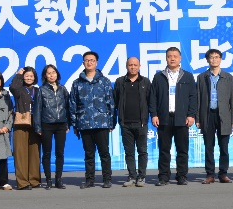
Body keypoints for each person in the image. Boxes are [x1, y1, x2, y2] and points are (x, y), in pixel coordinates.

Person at [150, 47, 198, 186]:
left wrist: (191, 115)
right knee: (164, 149)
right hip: (164, 118)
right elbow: (153, 97)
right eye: (169, 56)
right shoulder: (159, 77)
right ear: (166, 58)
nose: (172, 59)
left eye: (175, 56)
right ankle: (163, 176)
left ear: (180, 58)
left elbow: (193, 97)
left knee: (182, 149)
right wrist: (154, 114)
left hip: (181, 118)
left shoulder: (187, 76)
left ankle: (181, 175)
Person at [69, 50, 115, 189]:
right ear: (83, 63)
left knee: (104, 153)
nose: (89, 62)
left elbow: (111, 103)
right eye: (86, 60)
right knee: (89, 154)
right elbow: (73, 104)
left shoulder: (104, 81)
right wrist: (75, 124)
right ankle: (89, 180)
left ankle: (107, 179)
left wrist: (111, 122)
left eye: (92, 60)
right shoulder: (77, 83)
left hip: (102, 123)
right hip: (84, 123)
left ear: (96, 63)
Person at [196, 49, 233, 184]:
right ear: (207, 60)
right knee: (209, 146)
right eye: (211, 57)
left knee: (224, 146)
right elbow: (198, 98)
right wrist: (198, 118)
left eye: (217, 57)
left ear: (221, 59)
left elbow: (232, 98)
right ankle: (210, 174)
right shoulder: (202, 77)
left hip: (223, 115)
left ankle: (223, 174)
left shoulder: (227, 77)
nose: (214, 59)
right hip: (207, 115)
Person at [114, 57, 152, 187]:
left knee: (142, 151)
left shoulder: (145, 82)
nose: (133, 67)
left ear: (139, 66)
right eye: (130, 65)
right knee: (129, 152)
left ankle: (141, 176)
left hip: (141, 123)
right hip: (125, 124)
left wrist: (151, 116)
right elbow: (115, 101)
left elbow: (150, 101)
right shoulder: (120, 82)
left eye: (135, 65)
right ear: (126, 66)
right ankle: (131, 176)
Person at [33, 64, 70, 189]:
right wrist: (38, 127)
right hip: (46, 124)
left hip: (61, 125)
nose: (51, 75)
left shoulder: (63, 89)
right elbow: (37, 110)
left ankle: (58, 179)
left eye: (53, 72)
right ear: (45, 76)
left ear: (57, 74)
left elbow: (67, 107)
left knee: (60, 153)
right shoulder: (41, 90)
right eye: (48, 73)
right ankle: (48, 180)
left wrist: (67, 123)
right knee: (47, 153)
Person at [10, 67, 41, 190]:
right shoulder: (19, 89)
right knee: (20, 153)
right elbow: (13, 87)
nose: (29, 78)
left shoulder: (38, 90)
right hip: (21, 123)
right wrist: (18, 75)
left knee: (35, 152)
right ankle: (22, 182)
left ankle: (34, 180)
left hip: (35, 123)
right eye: (26, 76)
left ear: (35, 78)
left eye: (31, 76)